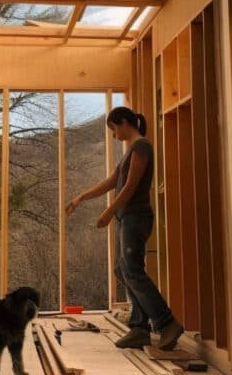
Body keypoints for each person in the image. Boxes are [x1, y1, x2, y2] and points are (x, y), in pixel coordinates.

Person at [66, 106, 184, 350]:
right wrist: (80, 198)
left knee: (132, 269)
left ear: (122, 123)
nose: (112, 134)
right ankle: (140, 328)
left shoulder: (141, 147)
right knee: (123, 269)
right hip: (126, 218)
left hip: (136, 217)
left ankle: (167, 323)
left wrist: (108, 213)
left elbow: (130, 187)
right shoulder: (129, 152)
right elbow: (111, 183)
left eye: (113, 129)